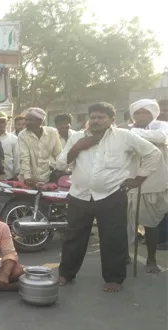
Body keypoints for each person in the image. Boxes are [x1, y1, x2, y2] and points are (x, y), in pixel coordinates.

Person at [56, 102, 161, 292]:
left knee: (113, 238)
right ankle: (66, 273)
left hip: (112, 195)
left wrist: (138, 179)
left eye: (101, 117)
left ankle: (114, 278)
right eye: (93, 117)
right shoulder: (78, 138)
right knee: (73, 237)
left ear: (112, 119)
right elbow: (60, 164)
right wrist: (78, 147)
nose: (96, 121)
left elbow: (153, 154)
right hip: (80, 194)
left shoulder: (125, 137)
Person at [126, 99, 168, 273]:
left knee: (151, 224)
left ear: (153, 113)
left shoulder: (161, 126)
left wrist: (132, 132)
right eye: (137, 113)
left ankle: (151, 259)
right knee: (125, 223)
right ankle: (125, 254)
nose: (140, 116)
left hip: (153, 182)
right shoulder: (126, 129)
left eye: (144, 112)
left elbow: (161, 138)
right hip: (130, 181)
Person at [18, 108, 62, 186]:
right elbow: (25, 157)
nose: (26, 122)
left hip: (47, 177)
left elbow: (58, 153)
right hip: (28, 180)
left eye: (30, 120)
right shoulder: (22, 135)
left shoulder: (52, 132)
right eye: (26, 119)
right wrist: (27, 177)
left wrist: (61, 169)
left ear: (40, 121)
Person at [0, 112, 20, 180]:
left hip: (9, 177)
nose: (1, 124)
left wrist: (16, 175)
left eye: (3, 122)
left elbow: (17, 158)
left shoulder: (13, 139)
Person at [158, 99, 168, 250]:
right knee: (161, 208)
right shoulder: (154, 130)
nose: (164, 113)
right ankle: (161, 239)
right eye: (162, 110)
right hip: (159, 176)